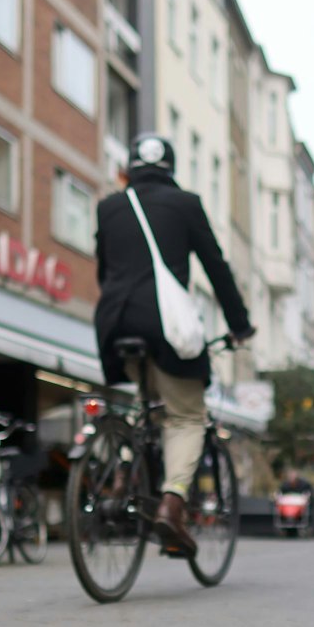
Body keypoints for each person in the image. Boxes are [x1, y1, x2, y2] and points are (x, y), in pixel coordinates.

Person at [93, 133, 253, 560]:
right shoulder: (185, 204)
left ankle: (126, 471)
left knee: (145, 405)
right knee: (185, 417)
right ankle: (172, 502)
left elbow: (104, 270)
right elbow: (216, 268)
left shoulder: (109, 207)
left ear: (128, 170)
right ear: (171, 169)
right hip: (166, 325)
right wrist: (239, 325)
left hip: (115, 324)